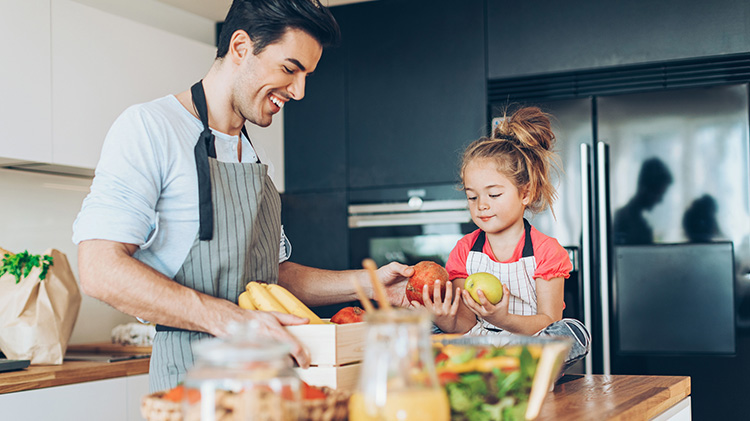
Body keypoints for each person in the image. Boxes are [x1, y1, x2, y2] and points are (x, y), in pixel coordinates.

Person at [72, 0, 412, 393]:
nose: (299, 91)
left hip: (272, 388)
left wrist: (370, 284)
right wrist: (232, 320)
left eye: (306, 75)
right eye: (290, 69)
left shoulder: (255, 155)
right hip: (195, 387)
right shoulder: (150, 129)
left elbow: (270, 275)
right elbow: (99, 269)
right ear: (240, 47)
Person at [410, 106, 589, 370]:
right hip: (479, 347)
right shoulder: (465, 251)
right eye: (472, 196)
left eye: (493, 195)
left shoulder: (546, 252)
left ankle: (522, 370)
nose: (481, 205)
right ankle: (491, 371)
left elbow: (548, 321)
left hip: (528, 347)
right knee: (426, 329)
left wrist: (503, 318)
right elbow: (466, 324)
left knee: (573, 331)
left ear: (525, 194)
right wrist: (443, 318)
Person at [613, 158, 673, 245]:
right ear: (645, 188)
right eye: (659, 194)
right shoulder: (624, 221)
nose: (660, 201)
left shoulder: (635, 222)